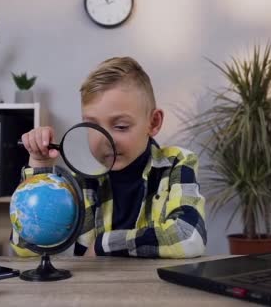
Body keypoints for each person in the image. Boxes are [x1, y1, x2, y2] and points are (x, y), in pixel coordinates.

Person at [11, 57, 206, 258]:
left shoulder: (176, 163)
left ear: (153, 122)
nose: (105, 141)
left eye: (121, 126)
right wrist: (39, 166)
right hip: (94, 288)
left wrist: (103, 245)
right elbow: (25, 248)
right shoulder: (79, 179)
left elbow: (189, 236)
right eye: (92, 126)